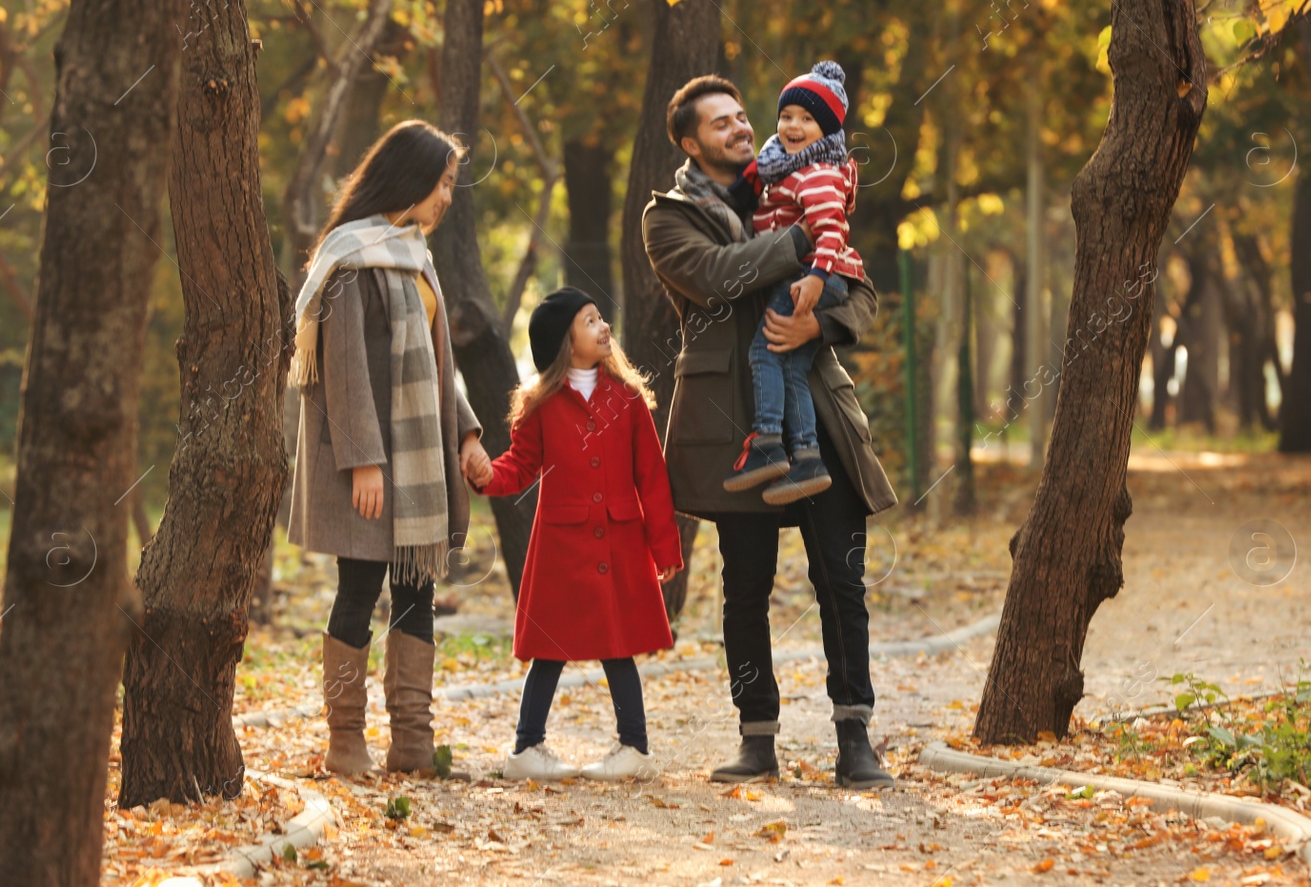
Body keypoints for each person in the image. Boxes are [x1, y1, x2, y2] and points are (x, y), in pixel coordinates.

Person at [641, 75, 898, 789]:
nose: (741, 127)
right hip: (739, 426)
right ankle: (758, 739)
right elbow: (717, 275)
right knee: (744, 586)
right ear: (691, 142)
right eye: (721, 123)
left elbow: (863, 290)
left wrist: (822, 318)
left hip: (819, 407)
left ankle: (856, 737)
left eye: (741, 115)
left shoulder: (796, 171)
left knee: (841, 581)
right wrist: (805, 237)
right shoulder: (669, 216)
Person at [286, 119, 493, 778]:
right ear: (409, 178)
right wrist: (363, 460)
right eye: (443, 182)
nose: (447, 197)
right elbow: (343, 368)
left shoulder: (413, 252)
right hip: (371, 465)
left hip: (420, 461)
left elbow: (440, 362)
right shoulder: (348, 258)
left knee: (417, 594)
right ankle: (345, 740)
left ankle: (413, 741)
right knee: (357, 591)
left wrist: (464, 431)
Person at [469, 288, 683, 782]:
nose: (604, 327)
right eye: (590, 322)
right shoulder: (540, 403)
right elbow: (520, 465)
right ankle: (526, 748)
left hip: (621, 538)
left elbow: (651, 474)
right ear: (567, 341)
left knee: (617, 642)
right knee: (551, 645)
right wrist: (485, 476)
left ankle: (635, 747)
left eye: (601, 318)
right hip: (563, 545)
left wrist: (664, 544)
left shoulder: (626, 398)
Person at [726, 60, 867, 504]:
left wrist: (817, 280)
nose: (794, 125)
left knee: (763, 351)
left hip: (815, 274)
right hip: (812, 274)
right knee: (791, 366)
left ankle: (768, 441)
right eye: (787, 115)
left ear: (825, 131)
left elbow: (832, 231)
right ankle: (806, 457)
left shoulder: (818, 171)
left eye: (807, 119)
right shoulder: (786, 167)